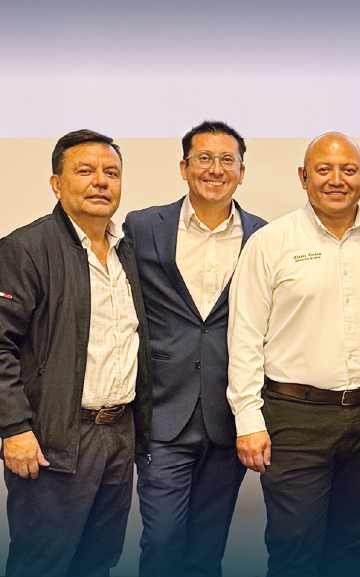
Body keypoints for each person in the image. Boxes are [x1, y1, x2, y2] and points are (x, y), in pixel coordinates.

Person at [0, 129, 152, 577]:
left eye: (111, 173)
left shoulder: (126, 253)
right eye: (85, 171)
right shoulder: (26, 249)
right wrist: (14, 429)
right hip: (54, 440)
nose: (100, 181)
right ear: (56, 184)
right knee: (42, 564)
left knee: (97, 563)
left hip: (117, 435)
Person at [227, 132, 360, 577]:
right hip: (296, 421)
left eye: (348, 170)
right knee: (294, 554)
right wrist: (248, 420)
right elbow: (244, 337)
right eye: (324, 170)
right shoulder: (270, 242)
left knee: (349, 551)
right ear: (303, 177)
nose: (336, 180)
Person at [124, 121, 266, 577]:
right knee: (163, 541)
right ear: (184, 167)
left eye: (227, 160)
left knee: (208, 549)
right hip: (163, 412)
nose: (215, 169)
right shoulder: (143, 227)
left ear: (242, 172)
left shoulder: (263, 236)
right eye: (204, 159)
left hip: (228, 417)